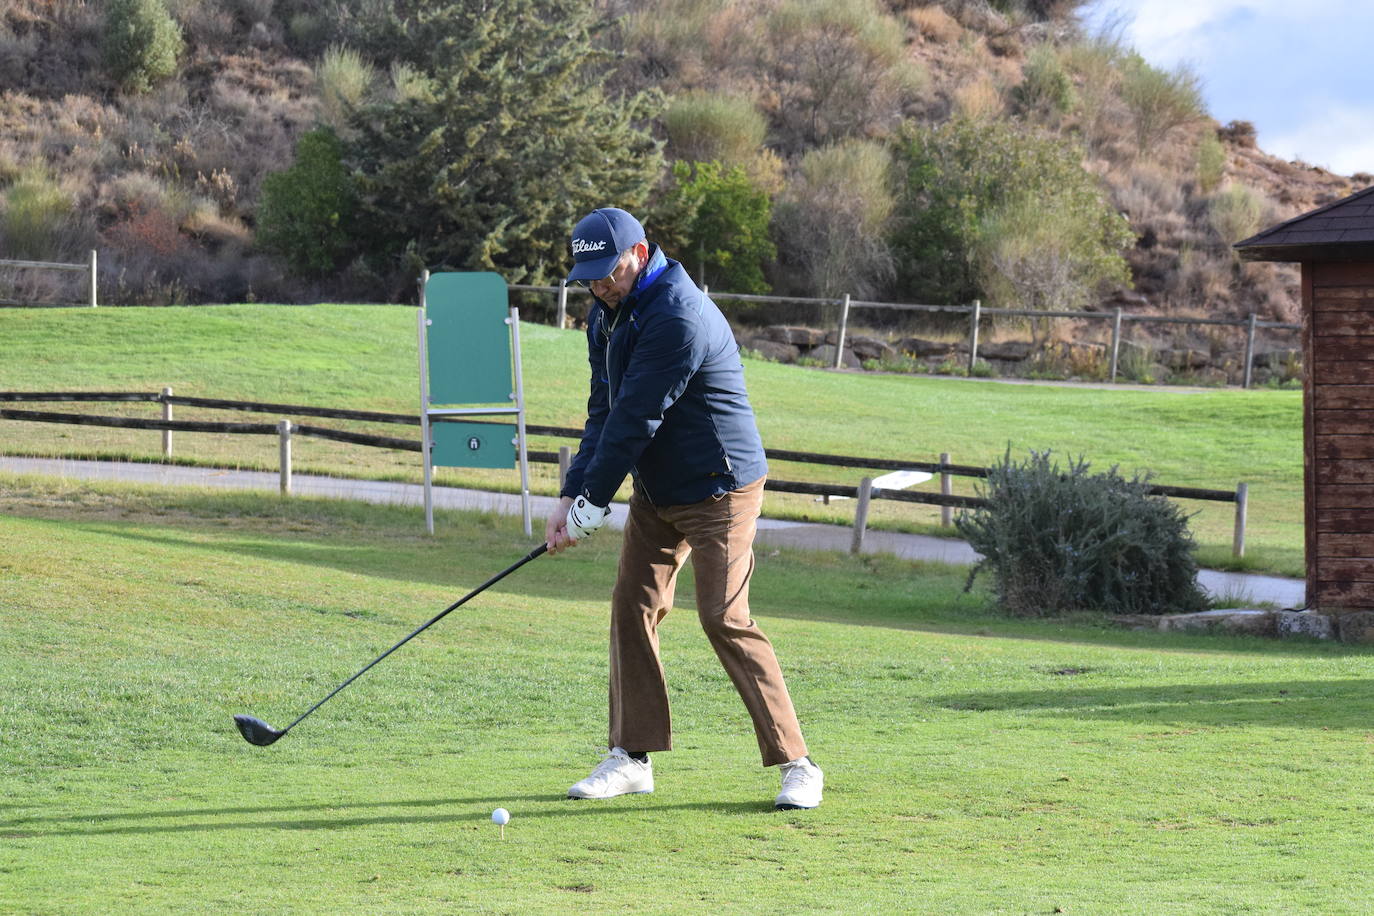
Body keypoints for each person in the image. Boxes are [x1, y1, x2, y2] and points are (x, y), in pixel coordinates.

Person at [545, 206, 823, 810]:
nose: (598, 286)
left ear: (640, 255)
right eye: (589, 277)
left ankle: (798, 764)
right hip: (657, 488)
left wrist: (595, 501)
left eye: (608, 272)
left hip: (720, 487)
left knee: (723, 616)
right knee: (632, 605)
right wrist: (573, 494)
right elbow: (603, 410)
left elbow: (637, 416)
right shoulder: (606, 314)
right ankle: (631, 757)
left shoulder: (678, 313)